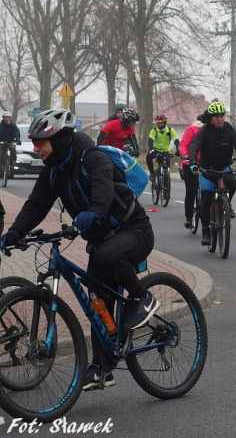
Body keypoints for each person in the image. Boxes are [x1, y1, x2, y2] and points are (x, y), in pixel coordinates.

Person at [0, 108, 158, 390]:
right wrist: (15, 232)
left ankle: (142, 297)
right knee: (96, 297)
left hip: (133, 230)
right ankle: (102, 367)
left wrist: (95, 211)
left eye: (40, 143)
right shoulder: (53, 172)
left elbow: (103, 187)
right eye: (33, 143)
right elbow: (36, 204)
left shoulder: (92, 157)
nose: (36, 149)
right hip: (101, 238)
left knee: (108, 257)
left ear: (59, 140)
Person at [188, 102, 236, 245]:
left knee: (232, 182)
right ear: (211, 117)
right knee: (206, 198)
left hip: (224, 166)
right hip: (207, 168)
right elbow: (194, 145)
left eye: (222, 115)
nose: (220, 119)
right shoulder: (204, 131)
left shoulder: (229, 129)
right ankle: (205, 231)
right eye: (217, 116)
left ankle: (227, 203)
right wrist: (193, 163)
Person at [179, 117, 203, 228]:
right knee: (191, 191)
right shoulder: (192, 129)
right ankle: (189, 218)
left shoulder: (210, 131)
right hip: (190, 162)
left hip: (204, 163)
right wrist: (184, 155)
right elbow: (183, 144)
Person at [146, 113, 180, 182]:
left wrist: (178, 149)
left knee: (167, 168)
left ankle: (166, 185)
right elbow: (150, 140)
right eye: (158, 123)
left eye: (161, 123)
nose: (159, 125)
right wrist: (152, 149)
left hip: (165, 151)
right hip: (155, 150)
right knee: (148, 157)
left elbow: (176, 140)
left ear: (165, 123)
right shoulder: (154, 130)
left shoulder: (170, 130)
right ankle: (152, 173)